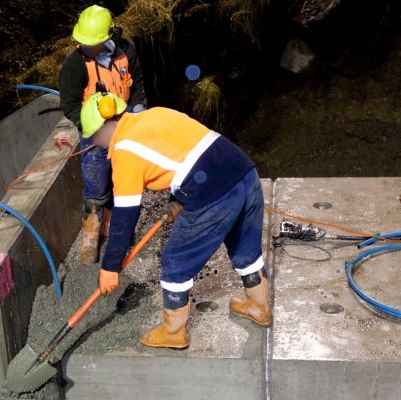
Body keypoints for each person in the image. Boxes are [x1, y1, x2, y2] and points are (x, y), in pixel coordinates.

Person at [79, 92, 272, 350]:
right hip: (244, 172)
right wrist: (176, 199)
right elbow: (185, 151)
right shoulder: (155, 114)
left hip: (212, 190)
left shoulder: (125, 152)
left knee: (175, 260)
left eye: (96, 138)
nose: (99, 145)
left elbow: (125, 218)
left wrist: (110, 267)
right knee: (244, 247)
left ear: (106, 127)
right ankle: (259, 306)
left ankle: (173, 331)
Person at [58, 5, 147, 265]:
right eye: (84, 43)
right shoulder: (75, 65)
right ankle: (90, 240)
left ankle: (116, 230)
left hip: (126, 125)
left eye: (93, 43)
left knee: (124, 180)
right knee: (96, 183)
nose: (88, 47)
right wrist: (90, 126)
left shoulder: (127, 50)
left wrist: (139, 110)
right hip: (95, 132)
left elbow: (137, 83)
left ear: (110, 35)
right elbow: (70, 105)